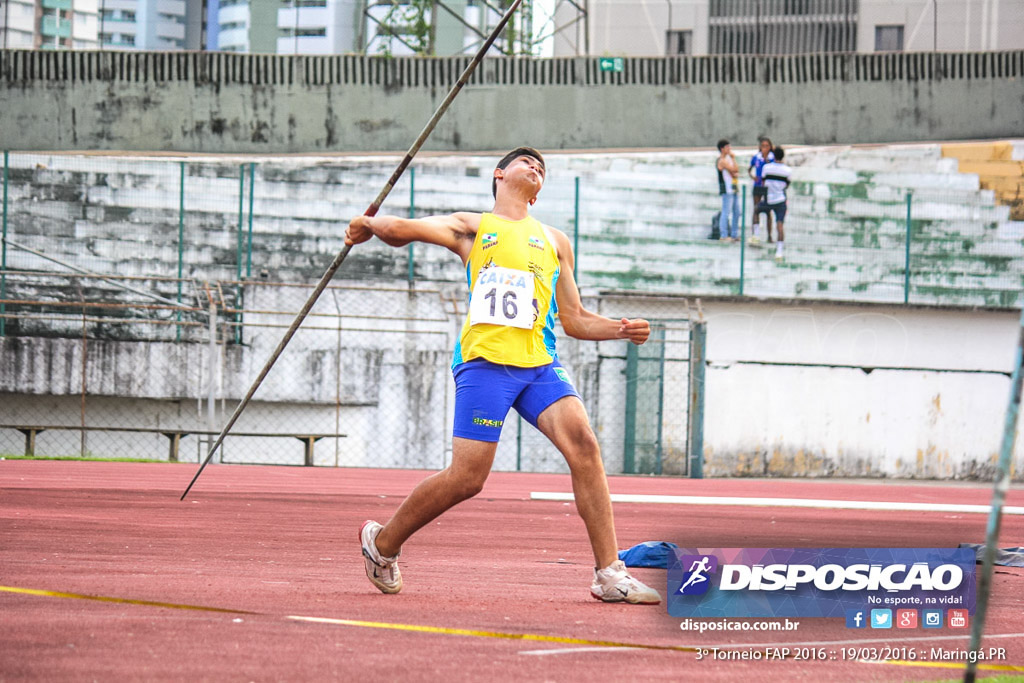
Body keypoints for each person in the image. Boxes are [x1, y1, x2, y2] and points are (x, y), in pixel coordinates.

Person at [345, 147, 662, 605]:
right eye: (525, 162)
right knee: (468, 478)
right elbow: (402, 231)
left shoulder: (555, 240)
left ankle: (610, 574)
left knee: (585, 445)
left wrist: (620, 329)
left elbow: (573, 319)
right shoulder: (473, 227)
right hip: (485, 363)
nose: (535, 167)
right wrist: (369, 224)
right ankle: (383, 542)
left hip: (539, 363)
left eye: (542, 167)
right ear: (499, 174)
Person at [757, 146, 792, 261]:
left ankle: (756, 235)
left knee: (756, 211)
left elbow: (763, 182)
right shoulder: (787, 170)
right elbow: (787, 185)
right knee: (780, 225)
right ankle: (779, 251)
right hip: (780, 199)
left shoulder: (767, 168)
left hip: (768, 198)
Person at [748, 136, 775, 245]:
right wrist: (752, 176)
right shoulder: (756, 157)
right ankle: (756, 235)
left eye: (767, 146)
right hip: (758, 185)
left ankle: (769, 236)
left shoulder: (772, 158)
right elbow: (749, 168)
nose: (765, 148)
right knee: (756, 209)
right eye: (763, 146)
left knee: (768, 211)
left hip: (768, 187)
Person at [716, 139, 740, 242]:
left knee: (737, 211)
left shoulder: (729, 159)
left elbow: (736, 170)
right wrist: (733, 170)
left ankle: (734, 234)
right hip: (726, 188)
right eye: (727, 147)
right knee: (726, 211)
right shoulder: (721, 160)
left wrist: (733, 159)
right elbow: (733, 170)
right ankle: (724, 234)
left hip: (733, 187)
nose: (729, 149)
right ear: (722, 149)